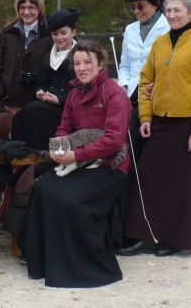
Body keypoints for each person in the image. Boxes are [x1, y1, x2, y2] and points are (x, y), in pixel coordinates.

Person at [20, 40, 132, 288]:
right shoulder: (73, 94)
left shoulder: (114, 94)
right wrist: (60, 146)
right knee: (43, 187)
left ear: (100, 64)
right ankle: (43, 260)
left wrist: (77, 155)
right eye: (78, 63)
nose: (81, 68)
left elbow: (114, 140)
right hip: (77, 161)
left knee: (68, 199)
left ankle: (81, 264)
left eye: (87, 63)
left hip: (109, 165)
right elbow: (64, 127)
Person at [119, 0, 191, 257]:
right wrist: (145, 116)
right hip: (159, 123)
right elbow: (145, 80)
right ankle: (143, 235)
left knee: (181, 185)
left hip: (187, 124)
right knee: (148, 177)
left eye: (178, 10)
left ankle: (174, 239)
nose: (172, 15)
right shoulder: (162, 42)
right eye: (169, 10)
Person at [0, 0, 52, 144]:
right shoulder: (7, 32)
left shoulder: (49, 34)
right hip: (7, 104)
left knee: (32, 146)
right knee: (4, 146)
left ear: (39, 9)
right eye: (23, 7)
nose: (27, 12)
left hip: (37, 105)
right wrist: (2, 98)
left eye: (32, 7)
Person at [11, 8, 79, 151]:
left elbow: (80, 85)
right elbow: (43, 82)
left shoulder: (81, 55)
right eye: (55, 34)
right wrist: (40, 92)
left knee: (34, 111)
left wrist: (59, 100)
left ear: (73, 32)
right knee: (22, 115)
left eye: (63, 33)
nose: (59, 37)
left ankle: (39, 155)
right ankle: (19, 153)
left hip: (69, 107)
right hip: (48, 102)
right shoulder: (47, 56)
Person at [118, 0, 170, 160]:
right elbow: (124, 64)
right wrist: (123, 85)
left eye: (141, 6)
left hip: (155, 93)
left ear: (155, 4)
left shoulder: (169, 29)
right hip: (132, 94)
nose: (136, 11)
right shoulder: (129, 29)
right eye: (133, 7)